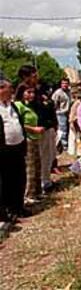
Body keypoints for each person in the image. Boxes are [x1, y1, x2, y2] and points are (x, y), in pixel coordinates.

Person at [0, 79, 28, 220]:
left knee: (20, 179)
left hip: (18, 146)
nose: (12, 91)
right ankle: (7, 210)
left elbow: (19, 124)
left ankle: (19, 207)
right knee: (6, 181)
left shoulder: (13, 106)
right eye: (9, 88)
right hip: (4, 150)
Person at [14, 83, 45, 202]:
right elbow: (19, 123)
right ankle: (29, 194)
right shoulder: (18, 105)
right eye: (28, 92)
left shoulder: (30, 106)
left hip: (35, 138)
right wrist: (33, 129)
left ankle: (37, 192)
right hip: (27, 138)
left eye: (33, 92)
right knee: (30, 168)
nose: (31, 95)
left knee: (37, 165)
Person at [52, 78, 71, 150]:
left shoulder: (69, 92)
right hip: (61, 113)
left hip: (68, 113)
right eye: (63, 83)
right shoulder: (58, 92)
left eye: (66, 83)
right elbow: (54, 103)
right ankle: (64, 145)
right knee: (63, 129)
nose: (65, 85)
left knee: (67, 128)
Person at [68, 83, 81, 156]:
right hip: (77, 123)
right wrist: (71, 122)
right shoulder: (77, 103)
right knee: (77, 138)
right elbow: (72, 113)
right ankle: (79, 153)